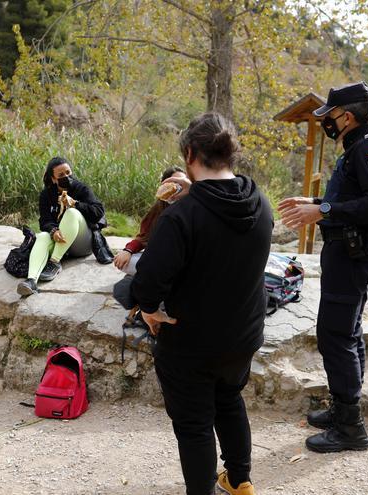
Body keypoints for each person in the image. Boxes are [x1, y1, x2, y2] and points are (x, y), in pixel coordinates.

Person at [131, 113, 273, 495]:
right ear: (230, 154)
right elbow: (221, 219)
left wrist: (148, 309)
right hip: (242, 336)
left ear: (190, 153)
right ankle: (240, 480)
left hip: (190, 341)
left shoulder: (182, 216)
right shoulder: (260, 202)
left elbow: (146, 283)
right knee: (229, 401)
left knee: (194, 425)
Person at [277, 81, 368, 453]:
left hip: (352, 255)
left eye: (329, 116)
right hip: (349, 253)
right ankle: (344, 410)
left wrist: (324, 210)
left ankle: (350, 428)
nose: (327, 122)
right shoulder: (359, 146)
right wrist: (316, 202)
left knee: (335, 335)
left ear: (346, 116)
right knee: (347, 331)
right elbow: (353, 198)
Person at [17, 156, 114, 296]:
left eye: (68, 172)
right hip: (61, 242)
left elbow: (98, 212)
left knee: (72, 213)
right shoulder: (46, 195)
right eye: (61, 175)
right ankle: (31, 281)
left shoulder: (82, 189)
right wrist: (53, 230)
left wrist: (75, 203)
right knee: (43, 236)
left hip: (82, 243)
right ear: (53, 179)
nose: (66, 176)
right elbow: (44, 220)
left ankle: (54, 262)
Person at [113, 166, 188, 276]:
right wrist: (128, 251)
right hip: (160, 260)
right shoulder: (158, 210)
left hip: (183, 261)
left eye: (182, 183)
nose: (178, 188)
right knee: (125, 262)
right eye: (175, 183)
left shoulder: (191, 207)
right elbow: (143, 237)